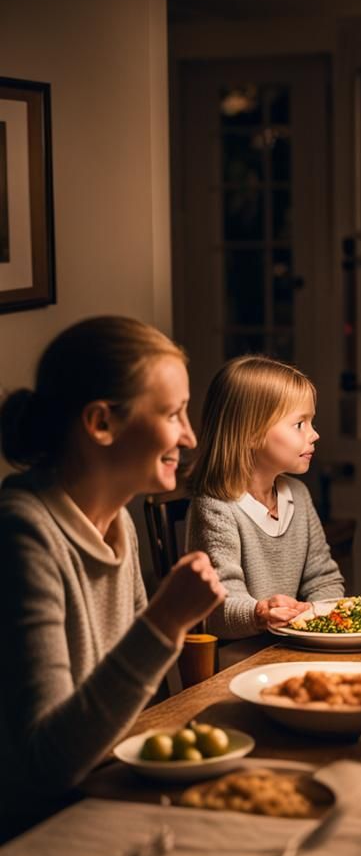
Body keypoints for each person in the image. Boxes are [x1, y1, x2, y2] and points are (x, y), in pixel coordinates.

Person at [0, 317, 225, 817]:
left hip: (110, 796)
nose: (190, 437)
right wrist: (165, 620)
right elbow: (46, 766)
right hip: (36, 831)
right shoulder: (23, 536)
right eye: (173, 414)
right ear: (101, 423)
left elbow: (136, 710)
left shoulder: (119, 519)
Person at [187, 355, 345, 639]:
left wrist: (316, 613)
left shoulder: (298, 495)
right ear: (251, 434)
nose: (315, 434)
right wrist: (259, 613)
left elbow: (324, 579)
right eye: (300, 424)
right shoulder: (216, 508)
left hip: (291, 647)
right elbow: (219, 608)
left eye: (311, 422)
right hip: (240, 656)